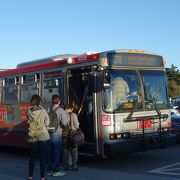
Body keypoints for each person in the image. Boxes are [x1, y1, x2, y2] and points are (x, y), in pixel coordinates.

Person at [27, 94, 50, 180]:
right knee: (42, 158)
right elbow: (47, 123)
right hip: (42, 136)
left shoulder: (29, 111)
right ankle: (42, 178)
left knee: (32, 157)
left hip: (33, 135)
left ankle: (30, 177)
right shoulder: (43, 111)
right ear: (39, 102)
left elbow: (29, 122)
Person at [45, 95, 67, 176]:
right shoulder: (61, 110)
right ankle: (56, 171)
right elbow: (65, 123)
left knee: (48, 153)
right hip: (57, 133)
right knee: (56, 153)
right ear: (59, 102)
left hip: (48, 133)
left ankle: (48, 170)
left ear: (52, 101)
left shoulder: (48, 109)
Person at [63, 103, 80, 171]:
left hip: (64, 135)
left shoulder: (62, 115)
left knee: (65, 150)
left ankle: (66, 166)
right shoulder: (73, 115)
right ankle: (74, 166)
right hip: (73, 135)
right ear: (71, 109)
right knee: (74, 151)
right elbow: (76, 126)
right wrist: (78, 125)